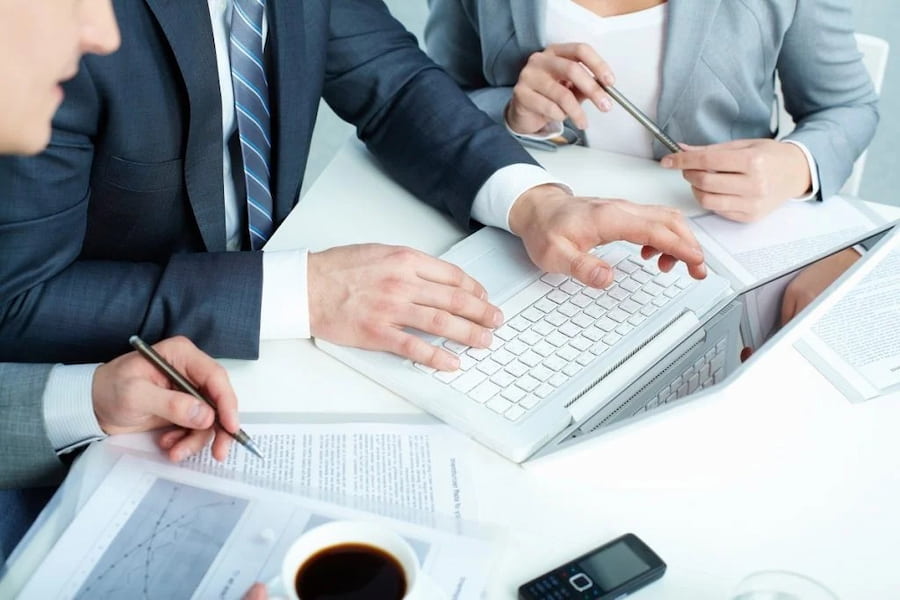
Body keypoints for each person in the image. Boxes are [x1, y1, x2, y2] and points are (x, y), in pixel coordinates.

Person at [0, 0, 708, 376]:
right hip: (111, 374)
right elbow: (17, 300)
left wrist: (537, 202)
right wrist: (304, 292)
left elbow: (395, 85)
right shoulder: (50, 29)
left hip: (277, 346)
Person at [424, 0, 878, 323]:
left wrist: (794, 166)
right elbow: (435, 98)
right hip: (532, 241)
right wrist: (513, 113)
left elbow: (849, 107)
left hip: (712, 253)